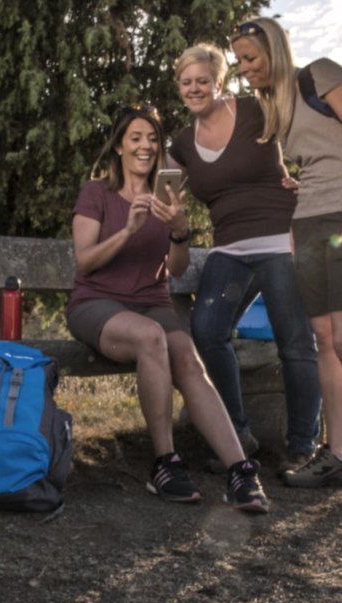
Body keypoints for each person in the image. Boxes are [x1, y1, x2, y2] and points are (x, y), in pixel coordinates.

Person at [65, 103, 270, 513]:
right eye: (135, 138)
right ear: (119, 147)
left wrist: (179, 231)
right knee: (151, 338)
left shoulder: (169, 197)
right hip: (97, 304)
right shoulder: (96, 193)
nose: (145, 146)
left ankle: (240, 471)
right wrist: (128, 231)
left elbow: (175, 270)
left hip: (152, 301)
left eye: (153, 139)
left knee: (188, 359)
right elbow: (85, 261)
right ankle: (164, 462)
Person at [229, 17, 342, 498]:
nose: (245, 69)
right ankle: (338, 456)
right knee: (324, 339)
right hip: (309, 220)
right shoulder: (277, 105)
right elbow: (323, 155)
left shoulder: (320, 74)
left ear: (276, 49)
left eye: (251, 58)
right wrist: (297, 185)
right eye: (239, 62)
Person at [165, 44, 321, 475]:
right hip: (229, 248)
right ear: (179, 86)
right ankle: (237, 435)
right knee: (207, 329)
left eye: (203, 81)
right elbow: (149, 182)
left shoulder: (256, 109)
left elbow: (311, 134)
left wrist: (309, 182)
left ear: (219, 82)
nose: (194, 89)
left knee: (295, 341)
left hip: (279, 239)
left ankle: (303, 445)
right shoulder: (180, 145)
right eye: (186, 82)